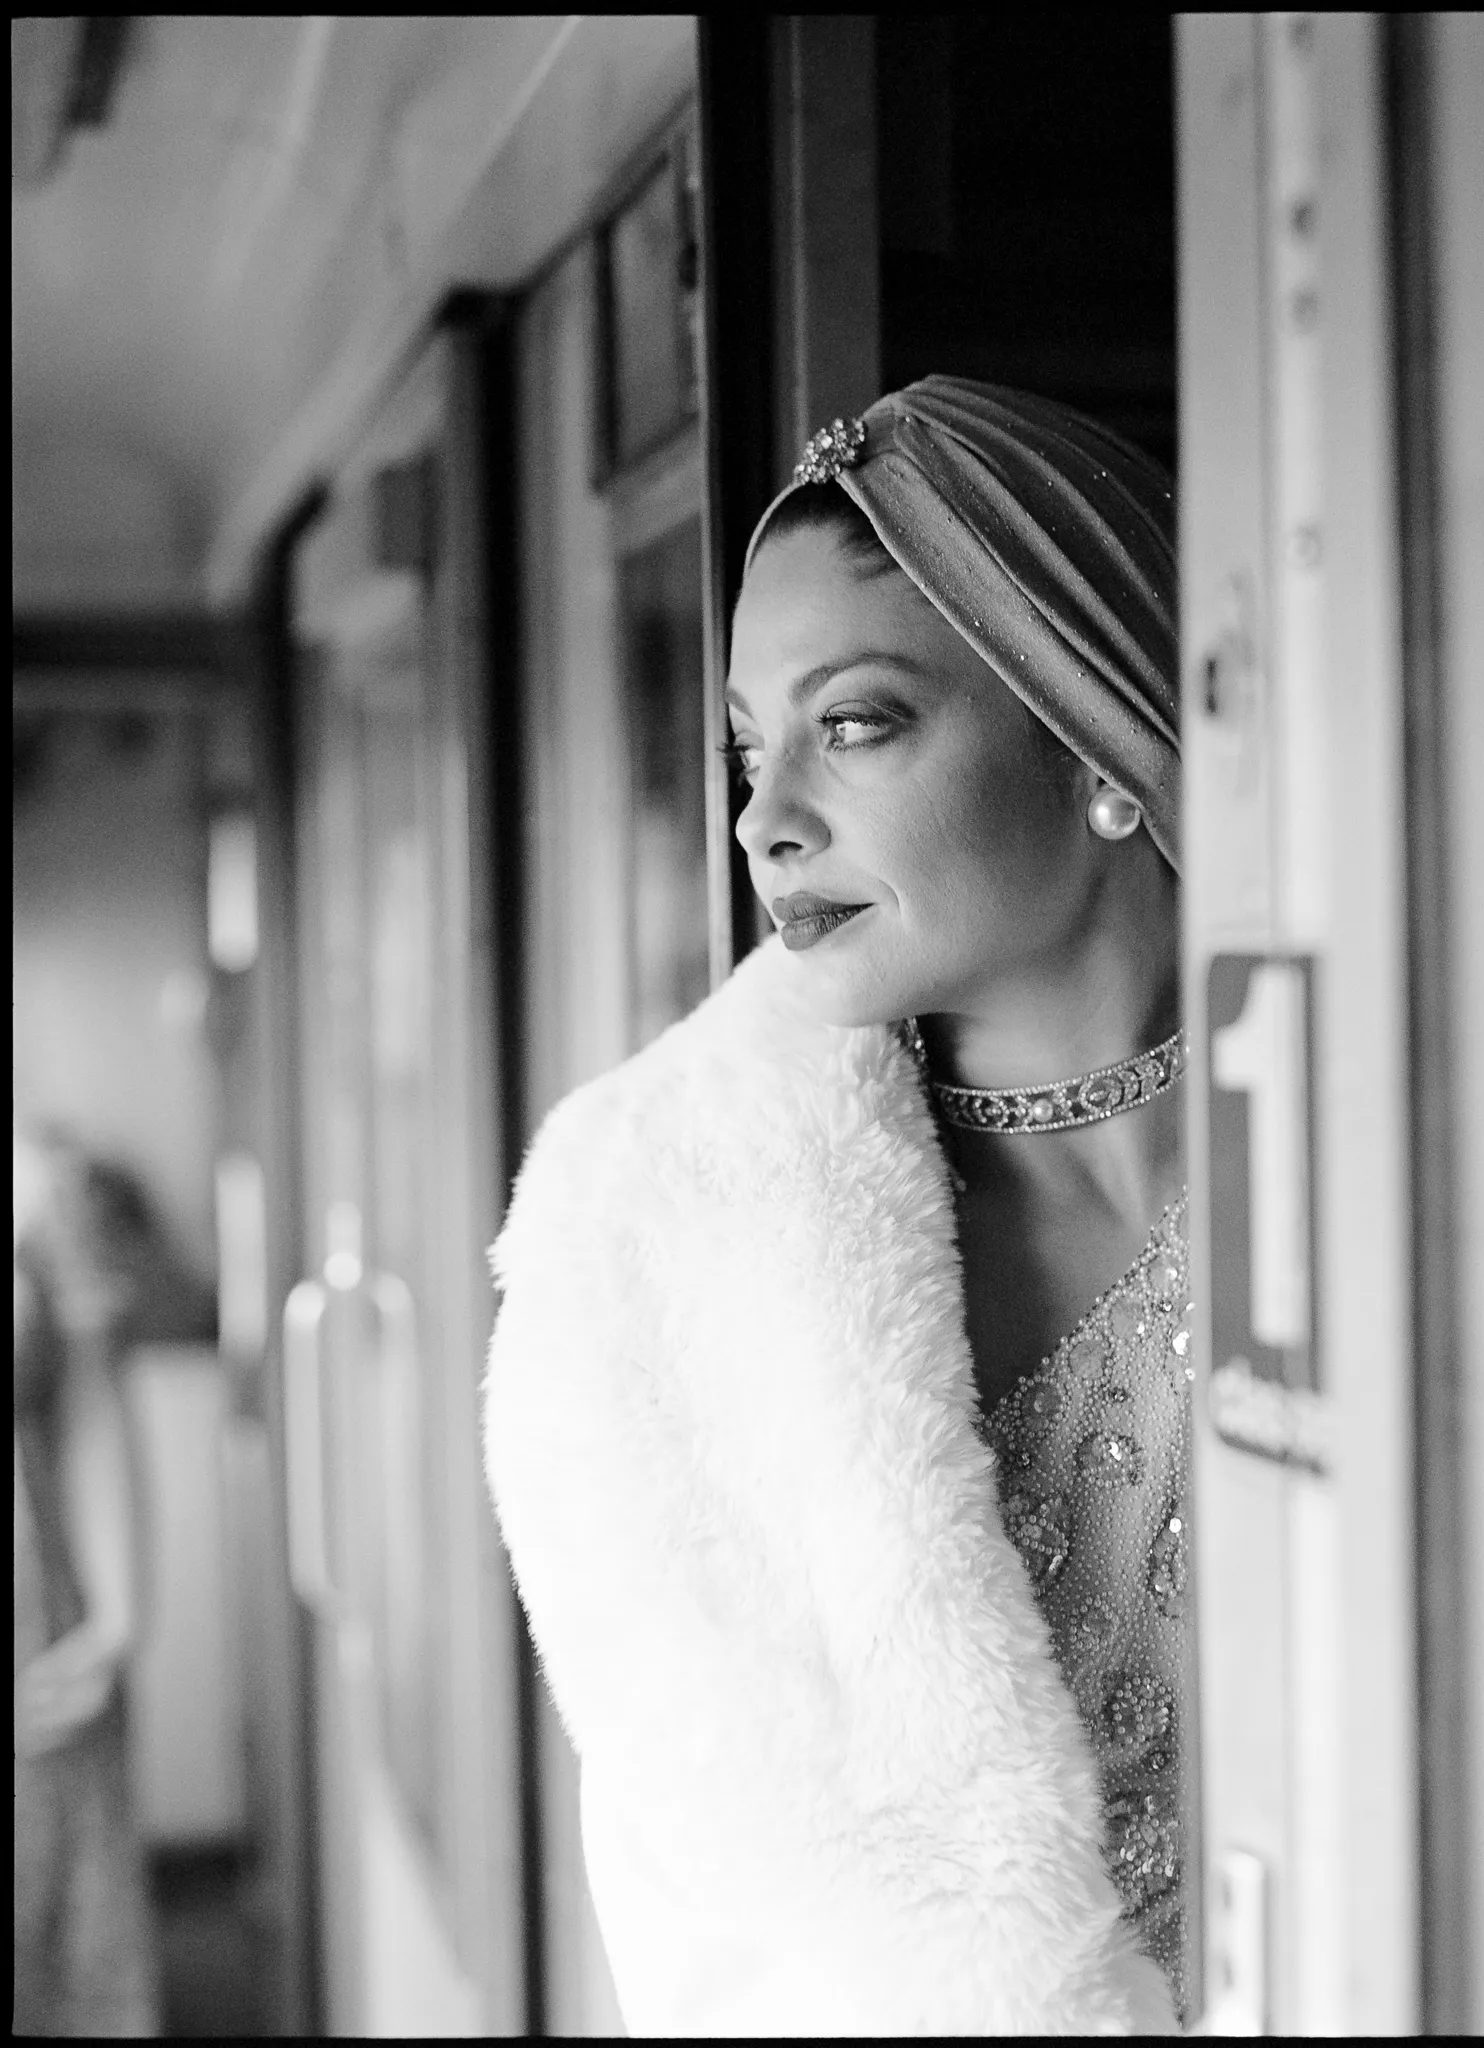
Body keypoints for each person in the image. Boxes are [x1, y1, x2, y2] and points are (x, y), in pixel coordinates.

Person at [484, 377, 1194, 2035]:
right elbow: (698, 1944)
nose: (762, 817)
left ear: (1092, 727)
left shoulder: (1418, 1137)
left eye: (854, 724)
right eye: (749, 747)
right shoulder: (654, 1256)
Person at [14, 1126, 164, 2036]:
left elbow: (89, 1402)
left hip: (49, 1662)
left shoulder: (35, 1187)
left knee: (72, 1966)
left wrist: (117, 1619)